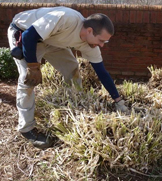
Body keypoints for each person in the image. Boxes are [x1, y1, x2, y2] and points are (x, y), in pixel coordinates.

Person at [7, 6, 128, 149]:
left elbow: (102, 72)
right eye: (101, 40)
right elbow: (29, 35)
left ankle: (74, 104)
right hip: (25, 33)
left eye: (105, 42)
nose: (101, 45)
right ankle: (26, 128)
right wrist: (33, 67)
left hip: (52, 40)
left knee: (72, 68)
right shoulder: (66, 19)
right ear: (89, 31)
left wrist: (118, 100)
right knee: (27, 81)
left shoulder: (90, 44)